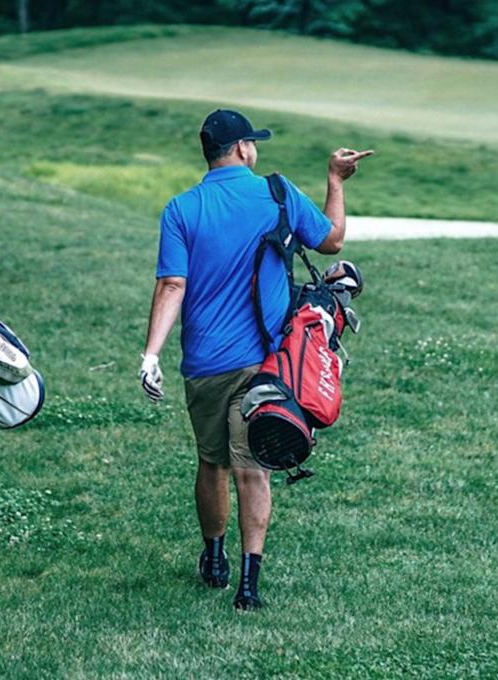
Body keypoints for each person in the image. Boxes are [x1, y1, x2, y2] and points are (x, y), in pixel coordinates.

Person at [139, 108, 372, 610]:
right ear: (243, 148)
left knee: (212, 462)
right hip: (265, 362)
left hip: (204, 363)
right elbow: (331, 241)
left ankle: (213, 557)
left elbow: (172, 284)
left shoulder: (181, 209)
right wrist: (336, 181)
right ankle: (248, 584)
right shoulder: (277, 193)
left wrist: (151, 354)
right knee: (254, 470)